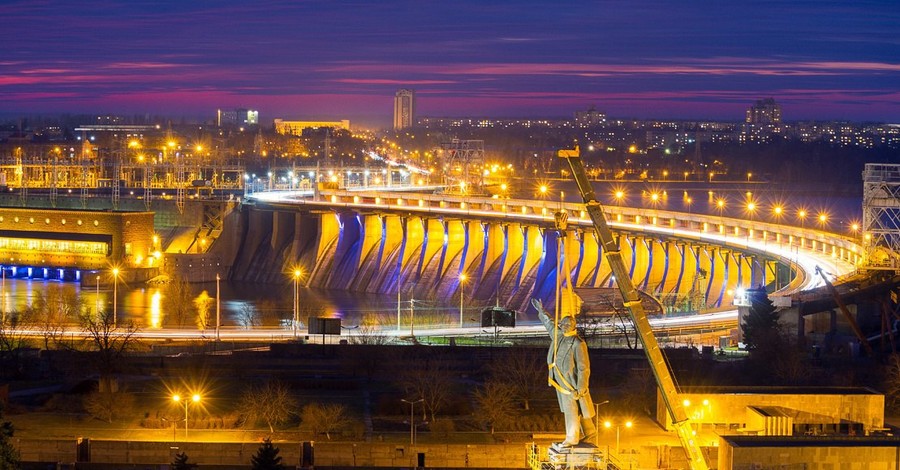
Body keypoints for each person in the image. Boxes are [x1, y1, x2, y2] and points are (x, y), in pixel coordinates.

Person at [532, 298, 596, 448]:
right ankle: (591, 432)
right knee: (580, 408)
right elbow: (549, 324)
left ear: (573, 326)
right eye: (562, 324)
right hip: (559, 382)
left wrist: (581, 387)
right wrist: (541, 311)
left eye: (567, 325)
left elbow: (583, 367)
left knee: (571, 409)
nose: (563, 326)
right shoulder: (558, 336)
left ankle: (572, 438)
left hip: (571, 385)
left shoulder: (578, 343)